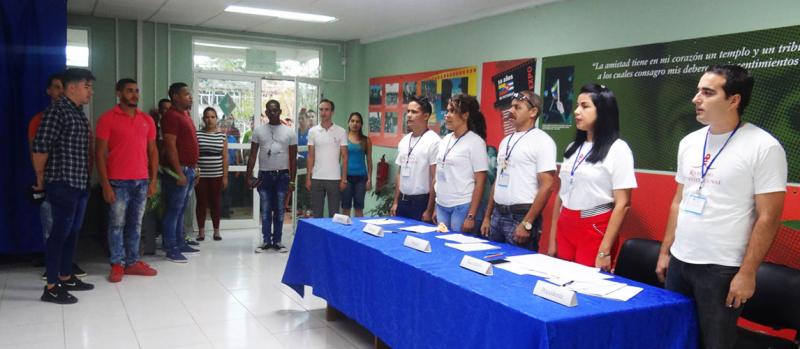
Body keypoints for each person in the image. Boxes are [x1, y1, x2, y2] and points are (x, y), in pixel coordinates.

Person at [655, 65, 787, 349]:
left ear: (733, 100)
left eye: (707, 92)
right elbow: (680, 200)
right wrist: (666, 251)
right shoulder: (689, 142)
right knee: (675, 336)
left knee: (715, 343)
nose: (696, 99)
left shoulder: (764, 147)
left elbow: (769, 216)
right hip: (680, 261)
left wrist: (748, 272)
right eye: (697, 90)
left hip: (721, 268)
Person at [547, 83, 637, 270]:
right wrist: (552, 238)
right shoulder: (572, 148)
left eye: (585, 106)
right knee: (559, 281)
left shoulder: (618, 148)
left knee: (586, 288)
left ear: (603, 110)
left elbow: (623, 203)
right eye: (577, 105)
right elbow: (561, 196)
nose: (576, 111)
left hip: (594, 226)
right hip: (565, 224)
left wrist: (604, 250)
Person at [32, 68, 96, 304]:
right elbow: (40, 147)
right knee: (59, 234)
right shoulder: (57, 112)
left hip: (79, 183)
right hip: (62, 183)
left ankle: (66, 276)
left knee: (72, 232)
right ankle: (51, 286)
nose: (90, 91)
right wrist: (40, 178)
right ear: (72, 87)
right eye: (87, 86)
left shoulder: (78, 113)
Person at [96, 78, 159, 282]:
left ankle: (132, 262)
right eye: (129, 91)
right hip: (117, 182)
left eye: (136, 91)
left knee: (135, 225)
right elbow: (99, 153)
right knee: (116, 225)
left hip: (141, 181)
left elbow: (153, 151)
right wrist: (105, 184)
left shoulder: (146, 120)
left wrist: (153, 180)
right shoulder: (107, 119)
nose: (134, 95)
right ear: (119, 93)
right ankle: (117, 263)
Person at [480, 91, 556, 251]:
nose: (510, 111)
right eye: (511, 107)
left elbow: (547, 186)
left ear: (533, 112)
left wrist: (527, 224)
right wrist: (487, 216)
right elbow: (498, 181)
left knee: (518, 269)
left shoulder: (543, 141)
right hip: (498, 214)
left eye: (517, 107)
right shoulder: (505, 141)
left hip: (520, 216)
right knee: (492, 264)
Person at [247, 100, 297, 253]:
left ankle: (278, 241)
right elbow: (253, 154)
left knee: (280, 210)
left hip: (282, 176)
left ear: (280, 111)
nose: (273, 113)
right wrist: (248, 175)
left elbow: (293, 158)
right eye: (269, 111)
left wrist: (293, 180)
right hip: (265, 176)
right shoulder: (259, 131)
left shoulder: (289, 132)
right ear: (266, 113)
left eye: (275, 110)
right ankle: (266, 240)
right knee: (266, 209)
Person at [433, 94, 488, 233]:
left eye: (452, 111)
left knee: (457, 249)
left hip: (462, 206)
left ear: (465, 115)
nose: (447, 115)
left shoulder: (475, 142)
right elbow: (439, 174)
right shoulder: (445, 139)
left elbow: (480, 182)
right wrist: (435, 205)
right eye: (447, 111)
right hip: (441, 205)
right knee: (442, 247)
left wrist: (471, 216)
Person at [160, 82, 200, 263]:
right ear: (175, 96)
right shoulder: (171, 116)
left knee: (181, 209)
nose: (190, 97)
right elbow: (170, 145)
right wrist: (179, 172)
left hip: (189, 169)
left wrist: (195, 168)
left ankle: (180, 242)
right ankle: (171, 248)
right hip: (179, 170)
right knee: (173, 210)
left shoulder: (185, 115)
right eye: (186, 94)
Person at [390, 96, 440, 221]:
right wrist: (396, 202)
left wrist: (429, 210)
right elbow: (399, 174)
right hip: (402, 200)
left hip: (421, 202)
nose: (409, 115)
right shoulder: (404, 140)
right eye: (408, 111)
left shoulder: (434, 141)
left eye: (414, 112)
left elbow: (436, 178)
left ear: (426, 116)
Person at [305, 99, 348, 218]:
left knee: (334, 215)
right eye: (321, 110)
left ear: (332, 112)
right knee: (317, 215)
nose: (323, 113)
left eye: (326, 110)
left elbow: (345, 156)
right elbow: (310, 156)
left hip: (334, 178)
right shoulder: (313, 131)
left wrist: (344, 179)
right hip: (317, 178)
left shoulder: (341, 131)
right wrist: (308, 177)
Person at [195, 107, 228, 241]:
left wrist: (225, 176)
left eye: (213, 117)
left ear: (216, 119)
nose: (210, 119)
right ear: (203, 119)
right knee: (201, 203)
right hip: (201, 176)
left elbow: (225, 157)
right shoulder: (197, 135)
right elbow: (195, 155)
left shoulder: (222, 135)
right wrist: (196, 171)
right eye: (207, 117)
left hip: (217, 174)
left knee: (216, 203)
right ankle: (201, 232)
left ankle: (216, 231)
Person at [341, 112, 373, 217]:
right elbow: (337, 159)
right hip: (346, 178)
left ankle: (358, 231)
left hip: (361, 178)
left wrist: (369, 179)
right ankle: (345, 231)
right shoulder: (343, 138)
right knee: (346, 208)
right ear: (348, 123)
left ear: (361, 124)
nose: (355, 124)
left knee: (359, 208)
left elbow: (369, 160)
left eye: (358, 121)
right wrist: (340, 178)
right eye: (352, 121)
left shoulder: (366, 140)